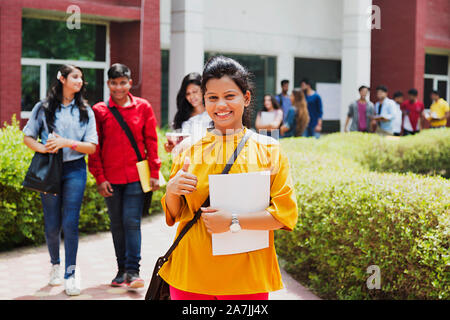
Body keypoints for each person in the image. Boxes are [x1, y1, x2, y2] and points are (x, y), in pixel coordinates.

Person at [159, 55, 298, 300]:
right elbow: (176, 213)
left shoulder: (269, 151)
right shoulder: (189, 150)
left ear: (246, 97)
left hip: (246, 279)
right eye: (212, 97)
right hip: (190, 274)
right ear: (204, 100)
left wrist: (233, 221)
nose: (220, 105)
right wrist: (171, 190)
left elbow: (283, 215)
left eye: (229, 96)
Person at [23, 65, 98, 296]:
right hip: (50, 169)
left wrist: (67, 142)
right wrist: (43, 149)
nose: (80, 81)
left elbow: (92, 147)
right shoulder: (43, 107)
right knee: (52, 222)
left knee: (70, 222)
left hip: (75, 169)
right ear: (62, 79)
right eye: (75, 76)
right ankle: (55, 265)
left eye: (81, 78)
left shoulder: (86, 110)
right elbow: (28, 136)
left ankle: (71, 273)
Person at [88, 63, 161, 289]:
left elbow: (151, 141)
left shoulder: (144, 107)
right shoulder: (99, 110)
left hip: (136, 177)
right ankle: (121, 271)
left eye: (123, 83)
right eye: (114, 83)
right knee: (117, 224)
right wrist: (100, 178)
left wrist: (155, 172)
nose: (118, 88)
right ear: (108, 84)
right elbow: (95, 147)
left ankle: (133, 271)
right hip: (111, 178)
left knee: (131, 222)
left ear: (130, 82)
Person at [165, 73, 212, 153]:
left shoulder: (212, 115)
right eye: (188, 94)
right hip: (185, 162)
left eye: (195, 91)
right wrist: (170, 147)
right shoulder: (183, 117)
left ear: (203, 90)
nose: (192, 96)